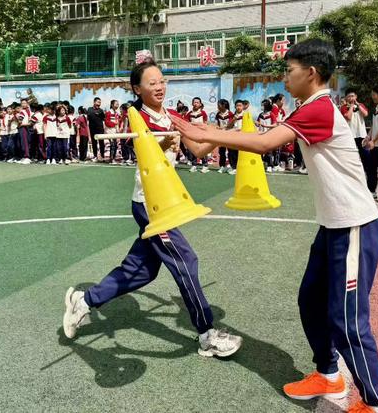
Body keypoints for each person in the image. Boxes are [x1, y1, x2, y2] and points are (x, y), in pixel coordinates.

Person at [172, 39, 378, 413]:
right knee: (310, 300)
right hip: (333, 227)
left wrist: (204, 133)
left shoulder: (319, 108)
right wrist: (206, 132)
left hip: (355, 227)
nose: (285, 78)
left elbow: (263, 143)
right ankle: (328, 374)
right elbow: (260, 137)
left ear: (312, 73)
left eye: (289, 71)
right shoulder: (309, 107)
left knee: (348, 321)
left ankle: (376, 404)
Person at [63, 56, 243, 359]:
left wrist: (222, 135)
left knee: (141, 272)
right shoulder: (137, 117)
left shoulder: (172, 116)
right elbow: (145, 149)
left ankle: (85, 300)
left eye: (162, 81)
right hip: (150, 205)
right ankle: (207, 335)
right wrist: (164, 144)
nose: (159, 86)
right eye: (152, 82)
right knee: (186, 262)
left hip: (165, 203)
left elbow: (198, 149)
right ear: (137, 88)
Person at [340, 88, 369, 176]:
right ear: (346, 98)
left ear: (356, 96)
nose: (351, 98)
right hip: (350, 136)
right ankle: (352, 173)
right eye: (349, 96)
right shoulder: (344, 107)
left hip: (361, 135)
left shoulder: (361, 105)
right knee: (351, 155)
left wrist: (357, 105)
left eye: (352, 96)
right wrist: (352, 106)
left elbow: (365, 114)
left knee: (365, 155)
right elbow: (348, 117)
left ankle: (366, 172)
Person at [186, 97, 209, 173]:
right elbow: (186, 123)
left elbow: (205, 123)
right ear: (192, 103)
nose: (196, 104)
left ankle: (205, 165)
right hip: (193, 135)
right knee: (193, 150)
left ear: (200, 104)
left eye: (197, 102)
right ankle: (194, 165)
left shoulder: (203, 113)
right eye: (194, 102)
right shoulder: (189, 114)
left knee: (202, 149)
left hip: (201, 134)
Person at [215, 99, 232, 173]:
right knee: (221, 151)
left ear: (224, 105)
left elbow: (231, 125)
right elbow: (217, 123)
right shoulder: (218, 114)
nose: (218, 106)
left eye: (219, 104)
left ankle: (232, 166)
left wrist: (224, 128)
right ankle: (222, 166)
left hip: (229, 134)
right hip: (221, 134)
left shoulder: (230, 114)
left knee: (231, 151)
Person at [87, 97, 106, 161]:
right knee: (94, 143)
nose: (99, 104)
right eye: (98, 102)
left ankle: (102, 156)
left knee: (101, 143)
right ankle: (95, 156)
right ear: (94, 102)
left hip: (100, 129)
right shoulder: (89, 109)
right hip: (92, 129)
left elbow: (104, 119)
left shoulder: (101, 110)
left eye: (100, 102)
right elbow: (87, 119)